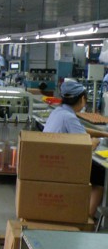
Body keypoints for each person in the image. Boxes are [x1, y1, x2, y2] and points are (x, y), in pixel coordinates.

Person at [43, 80, 108, 218]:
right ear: (82, 99)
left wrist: (104, 134)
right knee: (100, 175)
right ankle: (87, 218)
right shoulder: (69, 117)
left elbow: (80, 129)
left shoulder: (59, 111)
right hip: (63, 166)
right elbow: (86, 147)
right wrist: (96, 141)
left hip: (50, 162)